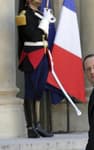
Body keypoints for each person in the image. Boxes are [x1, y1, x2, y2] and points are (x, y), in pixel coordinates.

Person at [16, 0, 55, 138]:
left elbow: (45, 37)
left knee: (39, 90)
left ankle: (37, 124)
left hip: (43, 54)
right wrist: (44, 22)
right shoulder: (23, 15)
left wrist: (45, 20)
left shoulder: (39, 14)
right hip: (32, 55)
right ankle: (30, 126)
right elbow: (31, 36)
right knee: (31, 90)